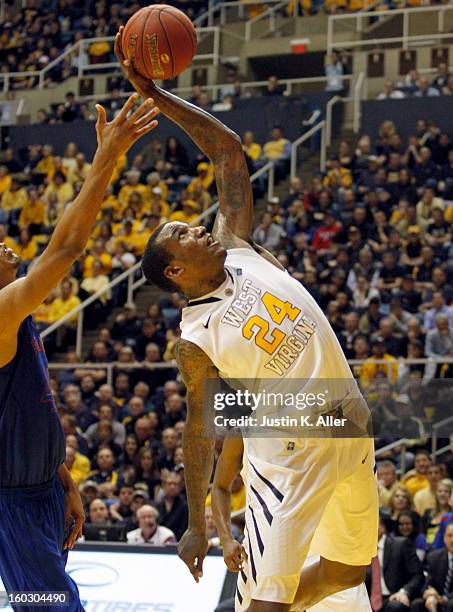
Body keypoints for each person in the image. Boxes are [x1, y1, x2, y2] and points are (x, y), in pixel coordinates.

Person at [116, 28, 378, 612]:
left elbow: (229, 152)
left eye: (190, 221)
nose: (198, 226)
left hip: (347, 416)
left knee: (348, 567)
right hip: (288, 446)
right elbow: (200, 425)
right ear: (175, 271)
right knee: (269, 598)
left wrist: (157, 94)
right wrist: (198, 519)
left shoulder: (239, 246)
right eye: (182, 234)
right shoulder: (194, 338)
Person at [0, 94, 159, 610]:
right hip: (14, 502)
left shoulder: (14, 312)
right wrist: (108, 157)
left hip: (40, 487)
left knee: (40, 604)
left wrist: (62, 478)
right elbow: (67, 249)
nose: (6, 244)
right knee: (51, 606)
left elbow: (28, 407)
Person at [212, 436, 373, 612]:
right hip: (263, 547)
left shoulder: (333, 429)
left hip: (321, 551)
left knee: (347, 580)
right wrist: (226, 539)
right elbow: (220, 486)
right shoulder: (245, 432)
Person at [365, 512, 424, 610]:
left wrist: (404, 591)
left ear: (382, 526)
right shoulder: (360, 551)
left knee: (395, 606)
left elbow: (418, 575)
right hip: (367, 599)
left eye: (375, 523)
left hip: (395, 595)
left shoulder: (400, 544)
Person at [410, 523, 453, 611]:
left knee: (451, 604)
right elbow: (428, 583)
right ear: (444, 538)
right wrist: (430, 595)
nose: (452, 540)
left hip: (449, 600)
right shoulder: (434, 557)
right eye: (449, 536)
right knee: (417, 604)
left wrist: (442, 599)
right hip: (437, 597)